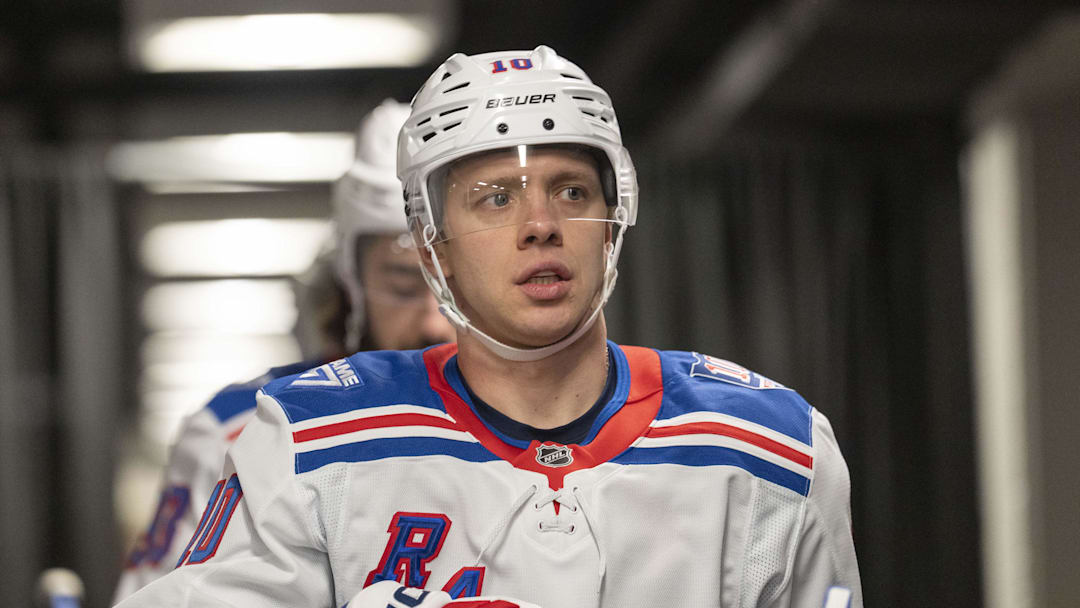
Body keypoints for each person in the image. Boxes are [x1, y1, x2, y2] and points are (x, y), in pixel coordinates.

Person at [117, 46, 861, 608]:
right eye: (494, 198)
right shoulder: (307, 440)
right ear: (430, 239)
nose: (541, 225)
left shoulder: (774, 449)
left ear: (615, 218)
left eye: (571, 189)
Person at [112, 99, 454, 603]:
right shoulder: (239, 426)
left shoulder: (559, 433)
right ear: (350, 282)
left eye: (455, 286)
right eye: (403, 284)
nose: (433, 319)